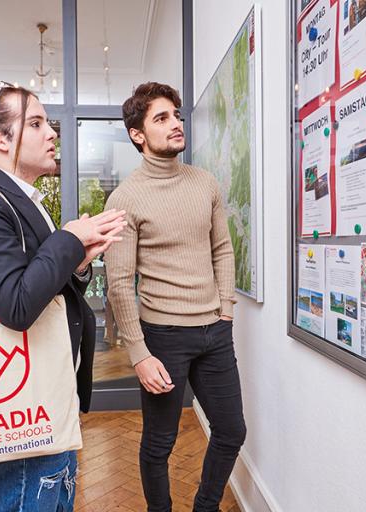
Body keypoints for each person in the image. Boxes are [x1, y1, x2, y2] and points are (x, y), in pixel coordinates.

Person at [0, 83, 127, 512]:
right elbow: (16, 305)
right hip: (18, 401)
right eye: (35, 123)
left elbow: (44, 285)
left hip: (44, 396)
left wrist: (78, 260)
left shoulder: (19, 199)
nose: (52, 134)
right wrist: (67, 239)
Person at [105, 82, 246, 512]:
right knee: (160, 443)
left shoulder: (205, 183)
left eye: (177, 115)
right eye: (161, 118)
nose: (176, 124)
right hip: (163, 336)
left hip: (214, 333)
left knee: (231, 430)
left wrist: (225, 310)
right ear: (138, 134)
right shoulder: (125, 197)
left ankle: (205, 507)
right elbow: (119, 282)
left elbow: (222, 248)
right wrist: (139, 353)